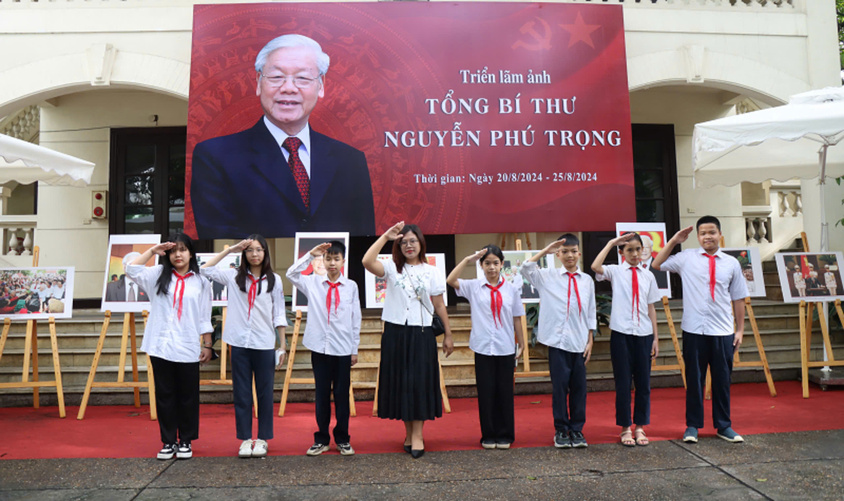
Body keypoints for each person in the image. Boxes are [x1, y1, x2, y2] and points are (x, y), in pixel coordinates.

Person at [190, 33, 375, 239]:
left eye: (302, 78)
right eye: (277, 77)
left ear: (321, 86)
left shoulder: (350, 160)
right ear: (259, 83)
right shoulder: (215, 157)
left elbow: (363, 241)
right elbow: (220, 241)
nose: (288, 88)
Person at [652, 216, 748, 444]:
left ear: (720, 234)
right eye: (703, 233)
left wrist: (740, 330)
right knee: (695, 381)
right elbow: (656, 264)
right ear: (697, 236)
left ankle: (724, 426)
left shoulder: (732, 263)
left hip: (723, 331)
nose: (708, 236)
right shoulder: (686, 258)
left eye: (712, 232)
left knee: (722, 381)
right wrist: (674, 240)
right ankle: (692, 426)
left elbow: (738, 299)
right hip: (694, 330)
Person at [362, 221, 454, 459]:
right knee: (402, 383)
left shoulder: (432, 271)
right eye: (403, 242)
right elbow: (366, 261)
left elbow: (439, 304)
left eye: (413, 240)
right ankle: (408, 432)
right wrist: (385, 236)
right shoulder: (392, 267)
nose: (408, 245)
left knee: (419, 384)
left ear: (421, 243)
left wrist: (449, 334)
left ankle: (418, 435)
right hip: (395, 333)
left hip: (421, 332)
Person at [199, 235, 287, 458]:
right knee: (242, 393)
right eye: (250, 251)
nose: (254, 254)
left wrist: (282, 345)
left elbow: (279, 314)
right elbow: (205, 270)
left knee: (265, 393)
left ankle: (263, 438)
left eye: (259, 250)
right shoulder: (233, 276)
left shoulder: (274, 280)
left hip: (264, 343)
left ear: (265, 253)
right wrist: (229, 251)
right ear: (244, 254)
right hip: (239, 342)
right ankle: (246, 438)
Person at [126, 234, 213, 460]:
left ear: (191, 253)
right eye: (174, 251)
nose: (178, 255)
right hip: (160, 345)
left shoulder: (201, 281)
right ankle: (168, 441)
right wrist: (153, 251)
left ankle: (185, 440)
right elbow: (131, 270)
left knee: (188, 396)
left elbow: (204, 316)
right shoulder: (157, 275)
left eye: (183, 250)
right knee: (165, 395)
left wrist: (207, 344)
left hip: (187, 345)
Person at [447, 245, 526, 449]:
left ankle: (505, 433)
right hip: (483, 347)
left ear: (502, 265)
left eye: (496, 263)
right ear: (481, 265)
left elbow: (517, 318)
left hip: (505, 346)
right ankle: (488, 434)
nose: (492, 267)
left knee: (504, 392)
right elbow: (450, 280)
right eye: (487, 263)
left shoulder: (511, 289)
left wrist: (522, 343)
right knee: (486, 391)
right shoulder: (474, 287)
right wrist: (467, 259)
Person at [521, 234, 596, 449]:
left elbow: (590, 312)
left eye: (573, 251)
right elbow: (526, 268)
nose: (569, 255)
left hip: (580, 341)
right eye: (564, 251)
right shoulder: (547, 277)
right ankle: (561, 430)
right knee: (560, 388)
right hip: (557, 342)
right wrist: (545, 250)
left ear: (579, 254)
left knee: (579, 389)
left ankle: (577, 429)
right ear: (558, 254)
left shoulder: (587, 280)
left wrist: (590, 339)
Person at [287, 240, 361, 457]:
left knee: (341, 396)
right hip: (319, 348)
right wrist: (310, 255)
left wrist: (354, 348)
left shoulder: (351, 287)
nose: (332, 263)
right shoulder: (313, 283)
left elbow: (356, 318)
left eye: (336, 259)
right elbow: (291, 274)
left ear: (343, 262)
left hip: (342, 349)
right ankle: (321, 439)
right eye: (328, 258)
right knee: (321, 395)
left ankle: (343, 438)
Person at [591, 233, 661, 447]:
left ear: (643, 251)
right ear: (622, 253)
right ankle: (625, 427)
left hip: (644, 334)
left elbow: (651, 308)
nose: (634, 253)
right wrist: (611, 243)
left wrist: (656, 338)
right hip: (621, 334)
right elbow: (595, 266)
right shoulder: (615, 271)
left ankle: (640, 426)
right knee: (623, 383)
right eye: (629, 250)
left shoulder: (648, 276)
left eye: (638, 249)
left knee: (643, 383)